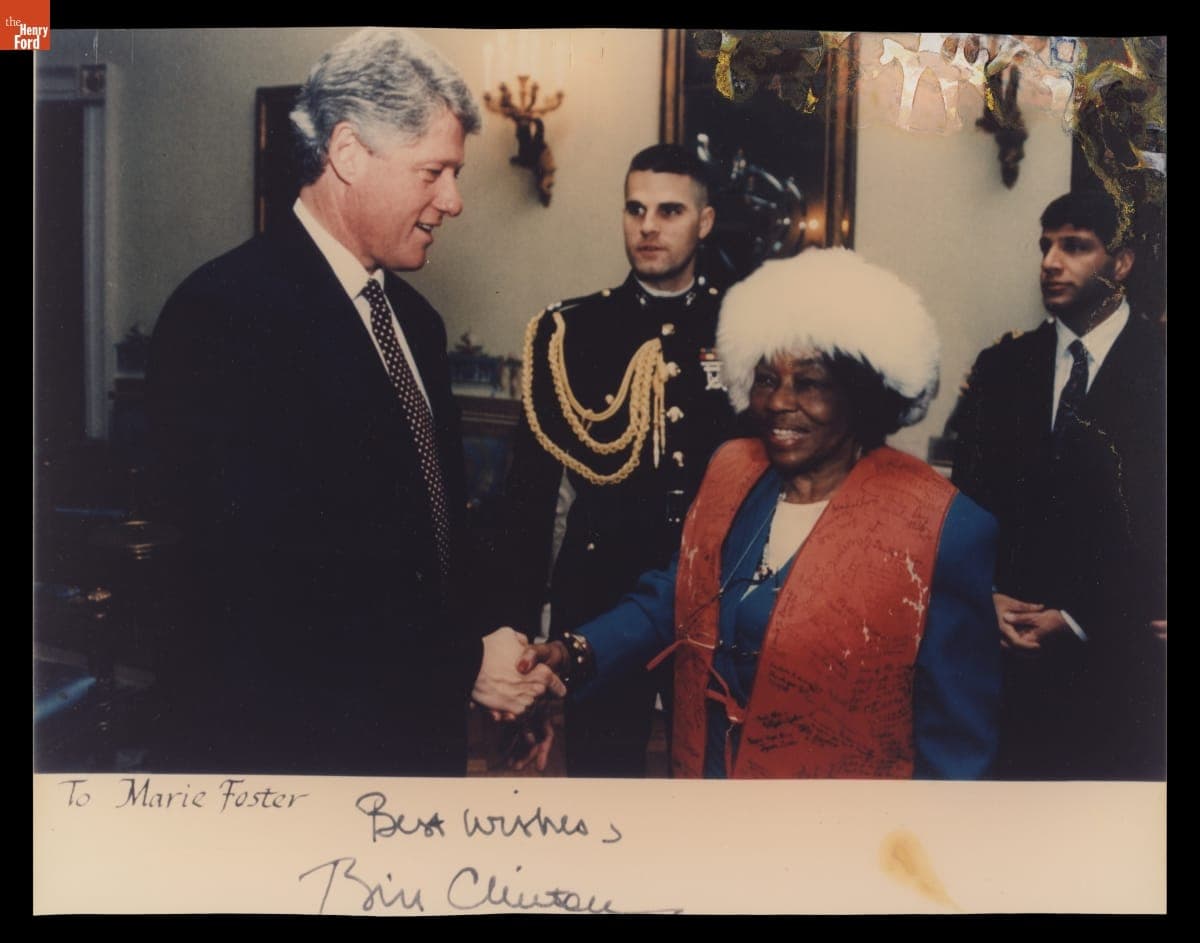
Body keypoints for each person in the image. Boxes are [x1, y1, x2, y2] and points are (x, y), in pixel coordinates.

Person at [146, 29, 560, 776]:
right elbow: (261, 577)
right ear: (346, 153)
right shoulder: (225, 313)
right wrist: (464, 663)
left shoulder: (417, 323)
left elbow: (432, 538)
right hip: (286, 754)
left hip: (410, 740)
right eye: (433, 171)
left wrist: (496, 667)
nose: (455, 201)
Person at [520, 249, 1001, 778]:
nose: (778, 402)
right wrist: (573, 653)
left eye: (810, 383)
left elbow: (957, 746)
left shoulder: (941, 526)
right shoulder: (734, 469)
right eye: (767, 379)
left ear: (862, 395)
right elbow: (684, 592)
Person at [495, 144, 738, 776]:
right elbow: (528, 502)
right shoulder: (569, 332)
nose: (648, 226)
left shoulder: (745, 326)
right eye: (635, 209)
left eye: (669, 210)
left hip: (714, 599)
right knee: (602, 789)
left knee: (715, 785)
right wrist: (518, 641)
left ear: (704, 222)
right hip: (598, 605)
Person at [952, 191, 1166, 780]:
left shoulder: (1159, 364)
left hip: (1125, 675)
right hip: (1008, 671)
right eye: (1046, 245)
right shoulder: (1002, 369)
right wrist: (983, 596)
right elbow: (963, 509)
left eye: (1075, 247)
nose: (1050, 262)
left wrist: (1081, 618)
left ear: (1120, 264)